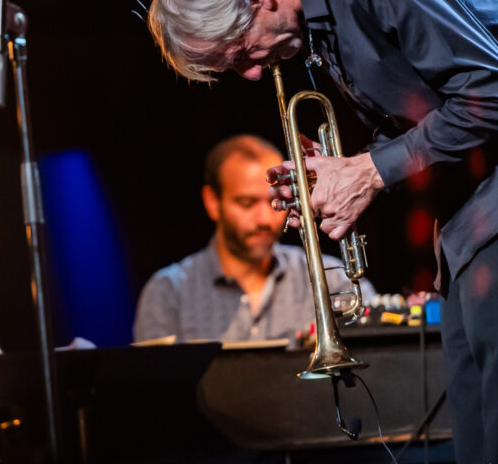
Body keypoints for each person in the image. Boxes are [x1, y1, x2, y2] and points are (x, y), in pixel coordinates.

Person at [145, 0, 498, 464]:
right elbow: (435, 116)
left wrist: (367, 170)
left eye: (241, 52)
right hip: (472, 220)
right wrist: (341, 170)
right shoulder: (319, 14)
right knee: (482, 442)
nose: (251, 73)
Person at [133, 133, 375, 347]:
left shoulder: (332, 278)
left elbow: (382, 344)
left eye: (273, 201)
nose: (265, 219)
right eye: (247, 203)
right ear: (212, 202)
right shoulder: (167, 293)